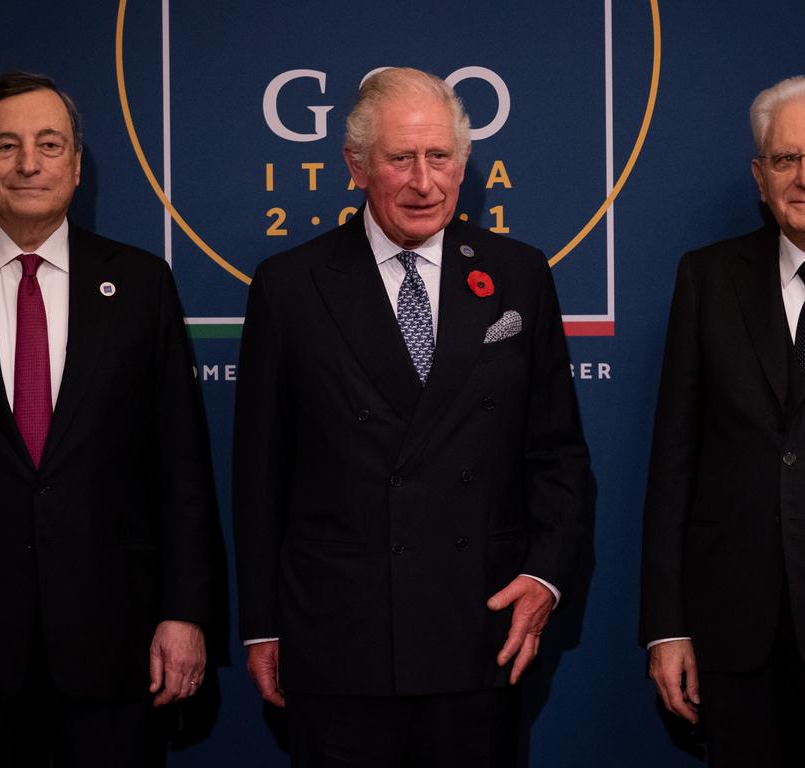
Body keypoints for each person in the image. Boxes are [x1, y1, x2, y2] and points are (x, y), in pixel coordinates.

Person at [233, 67, 590, 767]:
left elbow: (557, 451)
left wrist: (545, 576)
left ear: (463, 164)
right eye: (401, 159)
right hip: (338, 637)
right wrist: (262, 626)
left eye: (441, 159)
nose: (425, 182)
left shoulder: (518, 274)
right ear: (356, 166)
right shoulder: (290, 284)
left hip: (477, 630)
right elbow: (260, 473)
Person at [0, 71, 221, 766]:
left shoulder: (143, 284)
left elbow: (180, 466)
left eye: (49, 144)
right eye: (6, 146)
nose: (28, 164)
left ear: (77, 163)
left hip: (114, 653)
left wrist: (186, 615)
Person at [641, 75, 805, 767]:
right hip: (733, 639)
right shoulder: (707, 278)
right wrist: (666, 628)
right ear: (760, 176)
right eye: (785, 160)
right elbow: (674, 463)